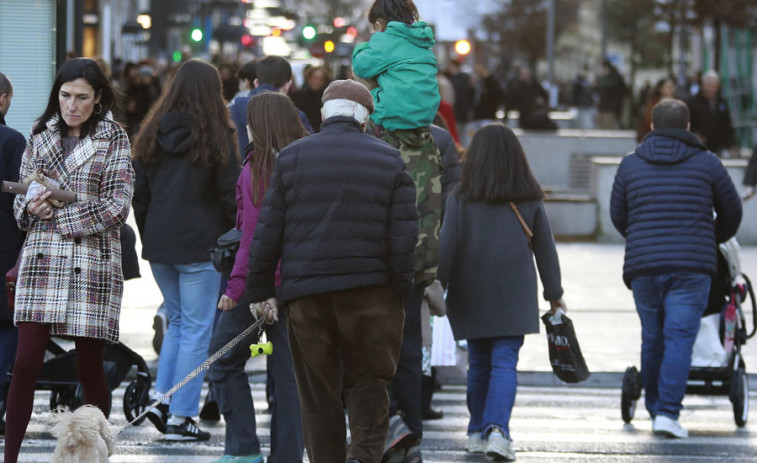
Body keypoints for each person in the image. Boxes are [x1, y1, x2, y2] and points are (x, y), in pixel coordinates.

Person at [243, 79, 418, 463]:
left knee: (317, 393)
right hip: (372, 294)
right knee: (369, 383)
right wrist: (401, 287)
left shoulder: (292, 158)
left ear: (323, 114)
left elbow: (268, 231)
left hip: (307, 296)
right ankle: (364, 456)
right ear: (366, 119)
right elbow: (404, 237)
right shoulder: (389, 160)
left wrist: (261, 288)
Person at [3, 58, 134, 463]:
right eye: (64, 96)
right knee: (25, 363)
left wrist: (56, 215)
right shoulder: (40, 135)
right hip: (42, 262)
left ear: (98, 99)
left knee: (89, 368)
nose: (71, 105)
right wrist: (32, 209)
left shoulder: (114, 139)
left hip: (91, 263)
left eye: (81, 97)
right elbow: (21, 204)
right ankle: (10, 457)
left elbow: (117, 206)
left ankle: (99, 454)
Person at [610, 99, 742, 438]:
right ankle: (667, 413)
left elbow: (618, 216)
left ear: (652, 127)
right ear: (687, 128)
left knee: (652, 337)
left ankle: (656, 407)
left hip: (644, 267)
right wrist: (707, 239)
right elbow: (733, 213)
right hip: (690, 268)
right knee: (680, 337)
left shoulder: (630, 165)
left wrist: (642, 238)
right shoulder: (708, 163)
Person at [438, 123, 565, 461]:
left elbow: (446, 248)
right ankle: (498, 430)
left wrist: (437, 288)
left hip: (471, 292)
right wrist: (554, 293)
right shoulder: (529, 197)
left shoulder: (460, 198)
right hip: (514, 293)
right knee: (505, 362)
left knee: (478, 363)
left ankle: (476, 431)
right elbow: (545, 249)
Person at [352, 2, 442, 459]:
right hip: (417, 266)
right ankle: (411, 431)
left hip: (377, 269)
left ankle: (381, 430)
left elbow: (361, 63)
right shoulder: (432, 143)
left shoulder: (375, 145)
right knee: (407, 350)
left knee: (370, 353)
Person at [132, 59, 239, 441]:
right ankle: (181, 416)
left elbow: (139, 194)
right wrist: (235, 237)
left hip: (161, 243)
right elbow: (231, 196)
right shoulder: (216, 135)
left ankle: (164, 399)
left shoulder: (151, 133)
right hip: (202, 245)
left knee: (177, 322)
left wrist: (149, 236)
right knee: (197, 328)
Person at [209, 92, 306, 463]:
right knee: (287, 378)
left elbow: (252, 237)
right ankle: (287, 456)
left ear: (259, 125)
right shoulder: (301, 164)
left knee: (222, 361)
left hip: (257, 283)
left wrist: (237, 288)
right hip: (296, 284)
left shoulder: (257, 169)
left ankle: (243, 449)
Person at [0, 72, 26, 436]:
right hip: (6, 245)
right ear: (5, 99)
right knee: (8, 325)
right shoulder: (11, 141)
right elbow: (24, 198)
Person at [228, 56, 313, 158]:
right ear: (288, 86)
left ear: (256, 83)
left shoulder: (233, 108)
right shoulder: (296, 115)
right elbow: (308, 153)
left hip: (242, 172)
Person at [688, 70, 738, 157]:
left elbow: (727, 124)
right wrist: (695, 136)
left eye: (714, 86)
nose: (711, 89)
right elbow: (689, 122)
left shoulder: (722, 102)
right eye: (709, 85)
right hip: (700, 145)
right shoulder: (693, 102)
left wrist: (732, 145)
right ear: (703, 85)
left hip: (718, 145)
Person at [292, 65, 331, 133]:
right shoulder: (299, 95)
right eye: (314, 78)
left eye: (320, 79)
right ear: (309, 79)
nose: (317, 81)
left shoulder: (328, 97)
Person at [636, 77, 676, 142]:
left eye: (673, 86)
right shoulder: (653, 103)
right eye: (669, 87)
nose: (672, 89)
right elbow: (648, 121)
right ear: (661, 89)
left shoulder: (678, 102)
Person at [596, 60, 627, 130]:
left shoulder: (612, 78)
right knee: (603, 126)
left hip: (609, 107)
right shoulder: (607, 77)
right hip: (605, 106)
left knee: (607, 127)